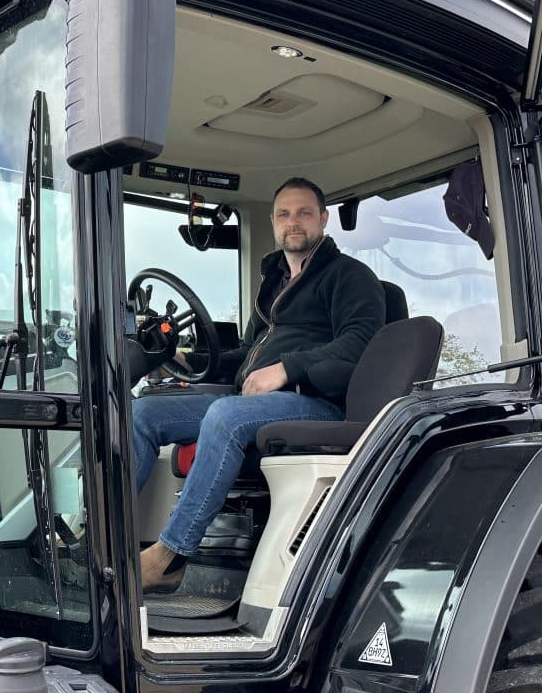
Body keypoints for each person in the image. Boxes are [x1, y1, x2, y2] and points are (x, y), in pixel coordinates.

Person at [133, 177, 386, 593]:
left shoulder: (349, 277)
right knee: (145, 412)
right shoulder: (273, 283)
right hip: (256, 400)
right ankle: (106, 542)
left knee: (225, 414)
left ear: (323, 219)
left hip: (318, 403)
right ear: (272, 222)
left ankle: (170, 557)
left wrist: (287, 369)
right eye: (284, 214)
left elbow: (361, 345)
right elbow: (249, 354)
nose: (294, 222)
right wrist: (184, 360)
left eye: (304, 212)